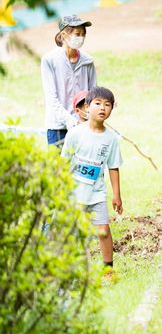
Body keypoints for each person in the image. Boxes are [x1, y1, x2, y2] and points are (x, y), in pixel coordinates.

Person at [61, 86, 123, 276]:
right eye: (97, 103)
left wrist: (117, 195)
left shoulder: (111, 139)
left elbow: (113, 166)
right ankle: (68, 267)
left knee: (103, 230)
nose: (102, 108)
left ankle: (108, 269)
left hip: (96, 194)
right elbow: (63, 163)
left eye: (107, 105)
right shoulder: (75, 134)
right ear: (87, 107)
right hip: (74, 193)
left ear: (112, 109)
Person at [41, 15, 97, 147]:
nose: (81, 37)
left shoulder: (88, 61)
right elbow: (51, 98)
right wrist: (70, 120)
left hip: (83, 126)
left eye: (83, 34)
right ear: (64, 35)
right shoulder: (49, 60)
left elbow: (92, 94)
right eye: (77, 33)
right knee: (59, 167)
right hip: (57, 128)